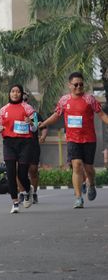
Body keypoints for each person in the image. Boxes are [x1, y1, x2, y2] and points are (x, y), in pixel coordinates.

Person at [39, 72, 108, 208]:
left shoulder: (90, 99)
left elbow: (101, 115)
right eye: (75, 84)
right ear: (69, 85)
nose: (78, 87)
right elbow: (56, 116)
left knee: (89, 168)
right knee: (76, 165)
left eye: (81, 84)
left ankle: (91, 184)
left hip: (89, 139)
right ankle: (78, 198)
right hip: (72, 139)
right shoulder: (64, 100)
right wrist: (43, 124)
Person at [0, 84, 38, 214]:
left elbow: (35, 127)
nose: (15, 94)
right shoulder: (3, 110)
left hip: (25, 143)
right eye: (13, 91)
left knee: (22, 173)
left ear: (21, 94)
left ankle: (28, 190)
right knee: (10, 173)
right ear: (9, 94)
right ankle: (15, 202)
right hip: (9, 143)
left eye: (18, 92)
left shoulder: (28, 108)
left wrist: (31, 123)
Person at [17, 92, 48, 204]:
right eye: (21, 100)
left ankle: (33, 192)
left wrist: (43, 136)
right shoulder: (13, 113)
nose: (23, 102)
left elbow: (43, 127)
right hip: (18, 146)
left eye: (25, 99)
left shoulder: (34, 114)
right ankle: (22, 193)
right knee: (19, 170)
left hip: (33, 145)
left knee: (33, 170)